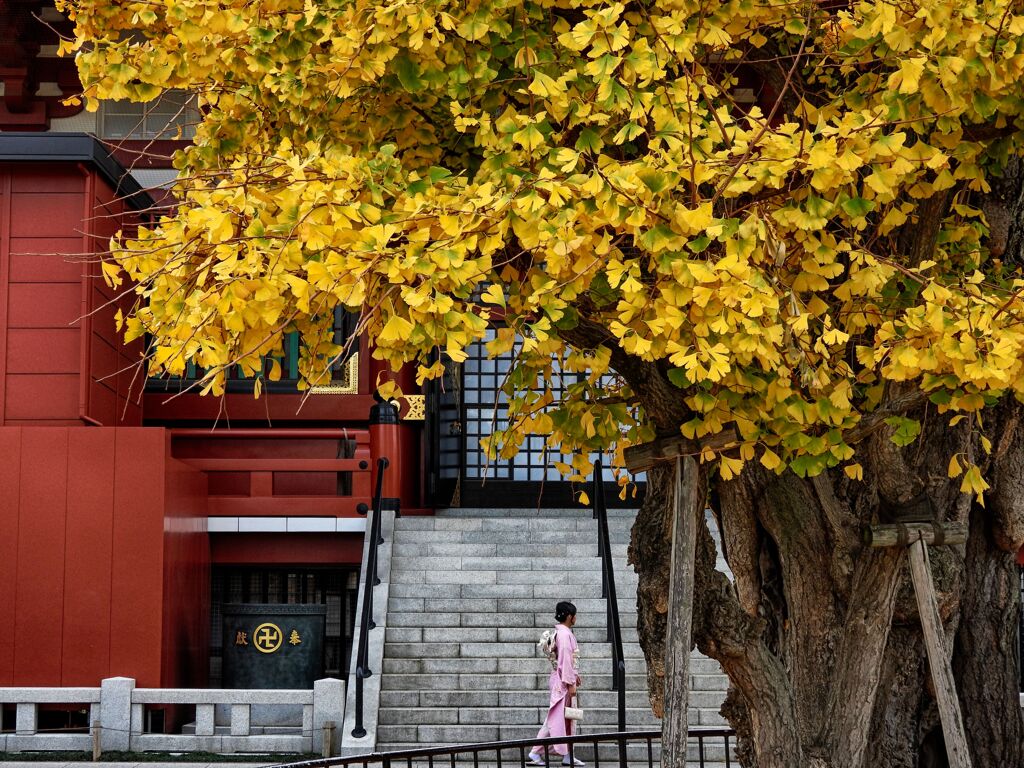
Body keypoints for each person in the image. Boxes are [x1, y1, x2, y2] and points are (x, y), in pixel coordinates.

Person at [528, 601, 584, 766]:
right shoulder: (565, 635)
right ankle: (535, 752)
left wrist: (574, 676)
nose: (575, 618)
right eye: (574, 615)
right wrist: (571, 682)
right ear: (569, 616)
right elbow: (566, 660)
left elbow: (565, 660)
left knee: (563, 718)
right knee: (555, 719)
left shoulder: (562, 633)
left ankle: (566, 754)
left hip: (561, 680)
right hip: (563, 683)